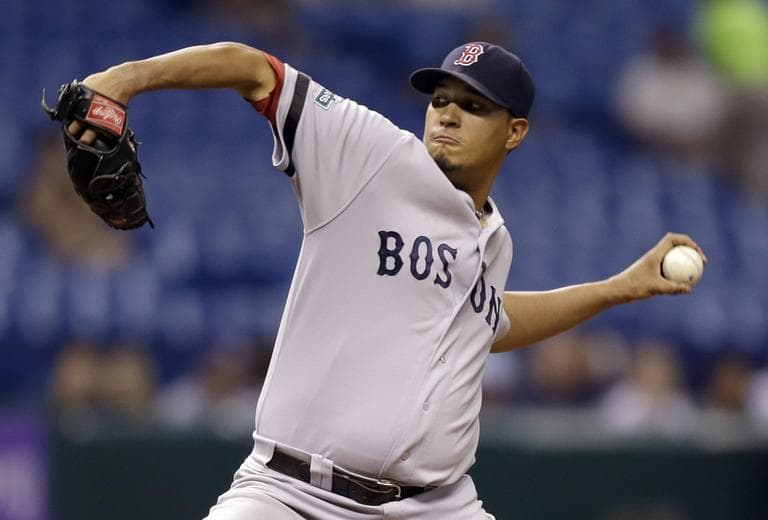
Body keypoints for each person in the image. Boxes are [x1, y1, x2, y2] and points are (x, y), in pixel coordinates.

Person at [65, 41, 706, 519]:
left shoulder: (495, 238)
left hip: (436, 506)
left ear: (515, 132)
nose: (447, 115)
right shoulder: (372, 156)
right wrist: (126, 79)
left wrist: (621, 287)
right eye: (440, 100)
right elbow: (253, 69)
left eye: (473, 107)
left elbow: (487, 324)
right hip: (292, 495)